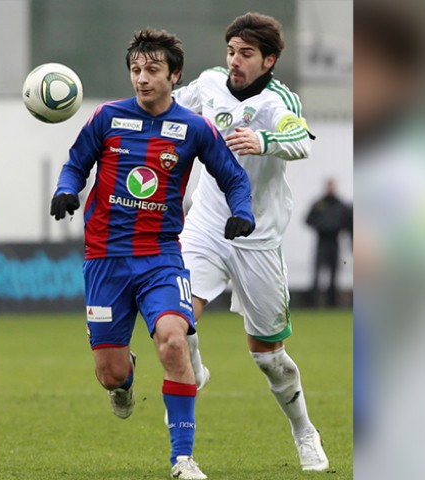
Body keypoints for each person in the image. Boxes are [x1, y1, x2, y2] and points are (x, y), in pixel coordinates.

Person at [50, 28, 255, 480]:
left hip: (160, 256)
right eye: (136, 70)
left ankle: (183, 459)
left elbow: (234, 178)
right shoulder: (107, 117)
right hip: (105, 258)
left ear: (174, 75)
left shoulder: (194, 128)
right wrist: (66, 189)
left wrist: (242, 212)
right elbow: (75, 163)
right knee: (109, 373)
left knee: (175, 341)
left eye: (152, 70)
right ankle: (123, 381)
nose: (142, 78)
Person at [172, 12, 329, 472]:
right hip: (206, 223)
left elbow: (300, 140)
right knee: (175, 317)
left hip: (257, 237)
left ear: (269, 60)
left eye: (245, 54)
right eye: (231, 51)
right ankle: (194, 371)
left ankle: (304, 431)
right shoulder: (209, 84)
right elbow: (169, 105)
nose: (234, 61)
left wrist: (263, 139)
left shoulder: (279, 100)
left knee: (269, 358)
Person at [305, 178, 352, 307]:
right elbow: (308, 220)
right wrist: (321, 226)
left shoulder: (340, 204)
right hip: (322, 241)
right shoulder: (319, 204)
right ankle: (313, 302)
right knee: (317, 272)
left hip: (334, 241)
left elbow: (348, 222)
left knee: (334, 272)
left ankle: (332, 302)